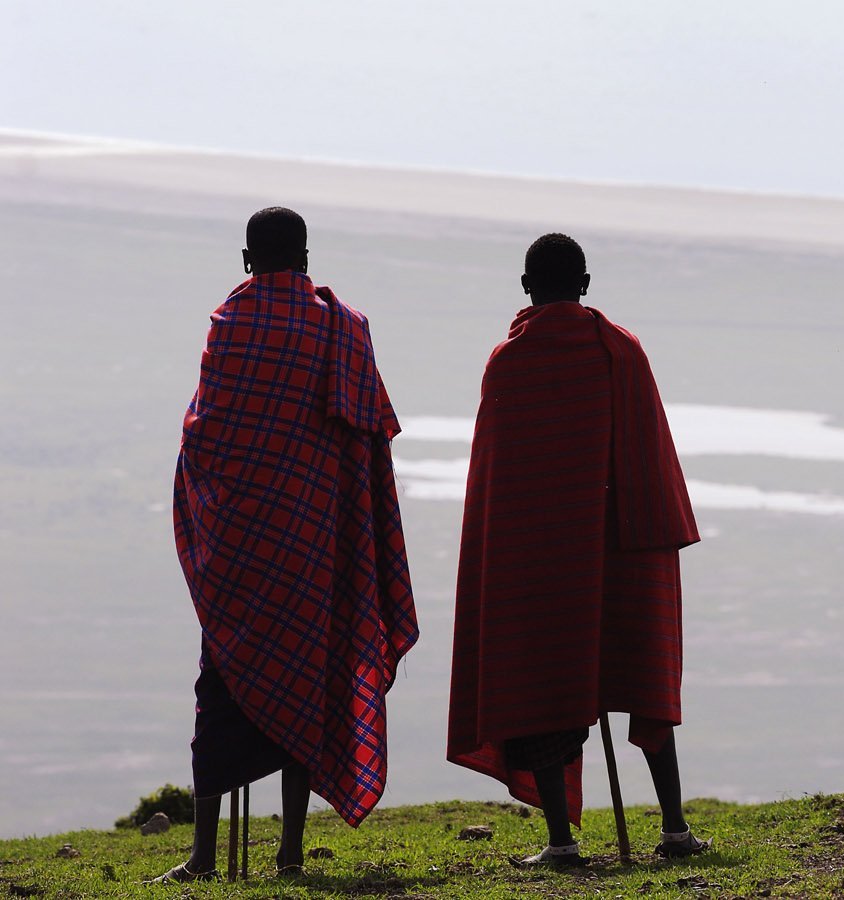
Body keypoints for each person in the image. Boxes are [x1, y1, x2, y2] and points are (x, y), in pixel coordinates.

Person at [155, 207, 420, 883]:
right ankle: (291, 854)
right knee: (308, 681)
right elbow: (368, 442)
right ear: (305, 256)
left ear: (248, 258)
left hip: (241, 553)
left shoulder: (232, 324)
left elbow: (203, 437)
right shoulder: (344, 328)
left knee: (220, 690)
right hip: (314, 545)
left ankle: (204, 858)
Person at [447, 233, 711, 866]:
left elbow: (498, 490)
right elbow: (651, 462)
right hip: (627, 547)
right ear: (586, 282)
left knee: (546, 686)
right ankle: (675, 830)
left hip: (543, 560)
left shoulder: (510, 362)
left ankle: (562, 842)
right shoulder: (622, 350)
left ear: (526, 287)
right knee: (643, 680)